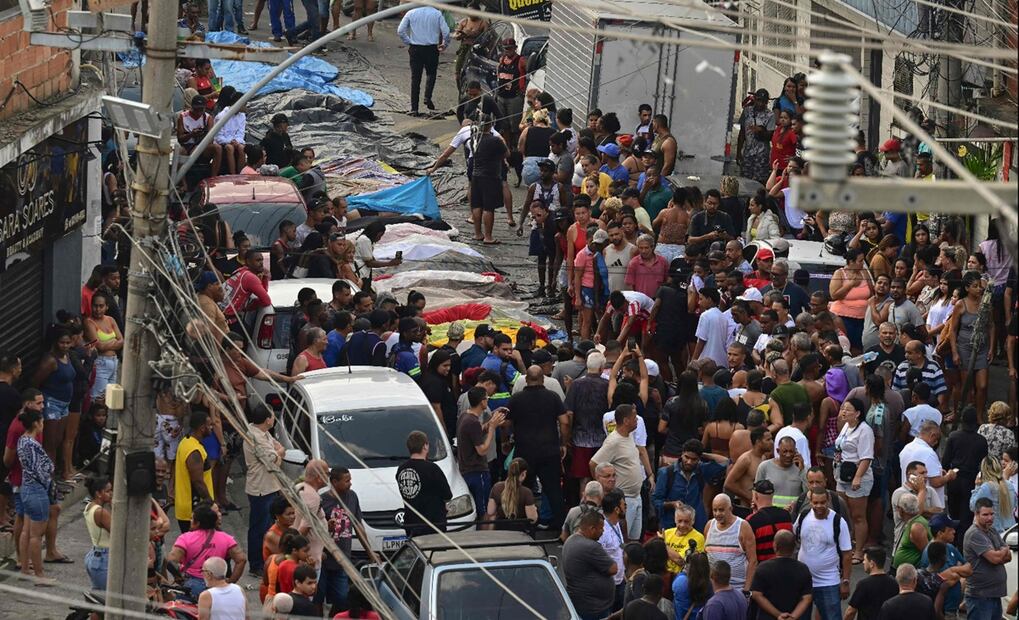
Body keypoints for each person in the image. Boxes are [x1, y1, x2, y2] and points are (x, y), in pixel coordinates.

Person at [505, 365, 568, 529]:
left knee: (522, 488)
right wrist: (563, 443)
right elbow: (564, 421)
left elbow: (506, 423)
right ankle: (559, 526)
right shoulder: (552, 397)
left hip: (524, 451)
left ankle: (521, 523)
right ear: (543, 379)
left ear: (526, 379)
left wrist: (505, 441)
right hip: (549, 450)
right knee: (553, 489)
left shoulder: (516, 399)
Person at [167, 503, 247, 600]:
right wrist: (230, 582)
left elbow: (171, 561)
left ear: (198, 523)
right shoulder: (226, 538)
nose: (190, 521)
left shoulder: (185, 538)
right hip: (217, 585)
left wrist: (179, 578)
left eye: (192, 519)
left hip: (192, 585)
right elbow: (241, 560)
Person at [794, 490, 852, 620]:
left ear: (828, 501)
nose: (819, 506)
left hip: (828, 582)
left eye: (822, 502)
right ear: (810, 502)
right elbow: (792, 536)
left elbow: (847, 555)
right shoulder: (803, 516)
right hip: (804, 582)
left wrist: (846, 581)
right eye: (815, 502)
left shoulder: (838, 521)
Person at [317, 466, 365, 615]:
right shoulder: (322, 500)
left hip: (343, 560)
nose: (350, 483)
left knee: (343, 599)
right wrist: (327, 526)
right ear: (334, 482)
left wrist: (370, 552)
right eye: (346, 480)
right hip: (323, 559)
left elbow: (358, 526)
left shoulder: (352, 497)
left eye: (350, 479)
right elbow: (314, 530)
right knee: (318, 598)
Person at [653, 438, 728, 531]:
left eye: (694, 459)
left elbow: (725, 462)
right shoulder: (666, 473)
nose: (689, 462)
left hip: (696, 524)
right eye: (686, 457)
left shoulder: (701, 469)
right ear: (682, 454)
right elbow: (656, 501)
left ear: (699, 459)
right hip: (671, 524)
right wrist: (672, 504)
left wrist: (703, 454)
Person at [244, 404, 284, 576]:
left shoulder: (262, 432)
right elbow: (272, 459)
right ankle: (256, 564)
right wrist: (280, 453)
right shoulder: (255, 437)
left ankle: (265, 561)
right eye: (272, 417)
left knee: (267, 527)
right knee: (259, 528)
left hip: (269, 486)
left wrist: (279, 451)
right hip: (261, 487)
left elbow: (277, 447)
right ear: (267, 420)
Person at [834, 396, 874, 562]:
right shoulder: (846, 427)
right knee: (844, 512)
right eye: (843, 408)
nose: (844, 412)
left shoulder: (865, 430)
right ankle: (847, 545)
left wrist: (858, 477)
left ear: (857, 413)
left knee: (858, 515)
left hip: (857, 478)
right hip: (841, 475)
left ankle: (858, 551)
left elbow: (866, 457)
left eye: (848, 410)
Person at [562, 510, 618, 620]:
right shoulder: (591, 547)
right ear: (592, 529)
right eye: (601, 528)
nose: (603, 531)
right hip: (594, 608)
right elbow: (613, 569)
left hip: (580, 602)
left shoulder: (570, 540)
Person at [963, 497, 1012, 620]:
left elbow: (1008, 557)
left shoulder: (992, 531)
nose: (990, 518)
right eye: (985, 515)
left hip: (994, 595)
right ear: (976, 514)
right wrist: (1004, 550)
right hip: (980, 597)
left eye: (991, 514)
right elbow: (995, 559)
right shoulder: (974, 534)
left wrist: (1001, 553)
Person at [396, 431, 452, 537]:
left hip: (411, 524)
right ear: (425, 446)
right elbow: (448, 495)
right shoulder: (432, 469)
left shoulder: (401, 469)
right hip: (433, 525)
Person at [397, 4, 449, 115]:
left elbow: (400, 30)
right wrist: (445, 44)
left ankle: (414, 108)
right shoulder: (437, 13)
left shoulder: (411, 13)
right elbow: (446, 32)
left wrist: (409, 41)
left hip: (416, 48)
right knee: (431, 73)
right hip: (431, 49)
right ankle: (427, 96)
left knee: (415, 78)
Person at [749, 529, 813, 620]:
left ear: (775, 546)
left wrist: (778, 614)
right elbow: (807, 598)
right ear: (794, 547)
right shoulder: (803, 569)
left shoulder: (763, 568)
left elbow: (756, 594)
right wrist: (792, 617)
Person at [703, 494, 757, 594]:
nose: (717, 513)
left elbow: (753, 561)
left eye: (721, 510)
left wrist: (746, 590)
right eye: (715, 510)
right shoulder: (709, 525)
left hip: (736, 590)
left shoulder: (743, 526)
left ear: (730, 508)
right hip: (713, 590)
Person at [174, 410, 215, 532]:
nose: (211, 427)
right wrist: (210, 503)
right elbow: (198, 482)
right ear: (202, 428)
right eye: (209, 425)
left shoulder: (186, 442)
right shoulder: (194, 451)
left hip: (187, 507)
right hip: (194, 510)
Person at [724, 427, 774, 515]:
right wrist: (749, 498)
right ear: (758, 442)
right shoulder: (746, 459)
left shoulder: (764, 458)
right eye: (768, 440)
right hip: (745, 509)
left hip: (759, 509)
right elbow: (728, 483)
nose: (772, 442)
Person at [746, 480, 794, 562]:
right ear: (772, 495)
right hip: (784, 566)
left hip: (762, 569)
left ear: (756, 496)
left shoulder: (751, 521)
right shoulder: (786, 515)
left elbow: (748, 551)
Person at [969, 455, 1016, 534]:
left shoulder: (986, 487)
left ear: (983, 471)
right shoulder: (1009, 485)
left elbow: (973, 506)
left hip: (995, 533)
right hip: (1011, 531)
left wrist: (977, 486)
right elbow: (1014, 505)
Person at [890, 493, 930, 569]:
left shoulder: (916, 527)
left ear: (901, 510)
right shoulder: (912, 522)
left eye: (898, 507)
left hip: (912, 573)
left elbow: (926, 553)